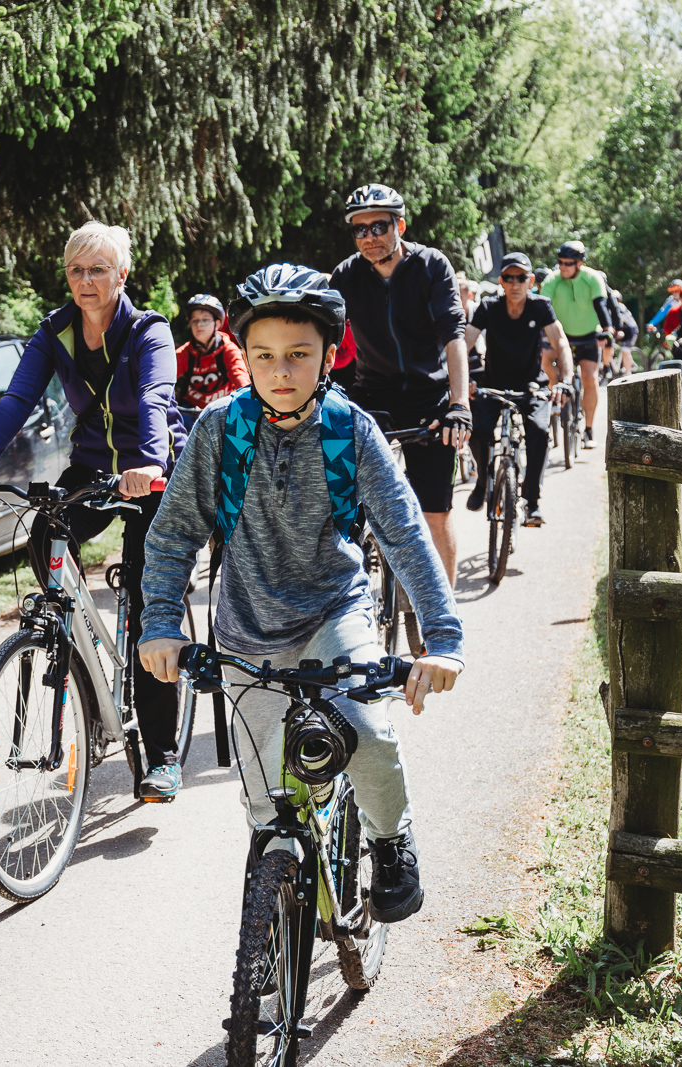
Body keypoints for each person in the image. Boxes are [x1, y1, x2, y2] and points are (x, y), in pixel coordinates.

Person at [138, 263, 463, 923]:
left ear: (327, 357)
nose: (279, 370)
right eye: (263, 355)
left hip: (332, 614)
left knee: (367, 730)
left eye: (297, 355)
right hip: (244, 626)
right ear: (245, 355)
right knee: (264, 807)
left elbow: (403, 537)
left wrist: (445, 638)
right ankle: (275, 921)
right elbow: (171, 537)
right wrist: (160, 622)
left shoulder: (351, 431)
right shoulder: (218, 430)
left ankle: (390, 839)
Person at [0, 221, 189, 801]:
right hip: (91, 468)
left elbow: (155, 398)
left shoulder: (148, 331)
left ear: (121, 274)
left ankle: (161, 756)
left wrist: (149, 464)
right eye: (76, 270)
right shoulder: (55, 332)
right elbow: (16, 401)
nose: (85, 280)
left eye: (98, 269)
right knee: (45, 535)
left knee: (152, 607)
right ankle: (72, 640)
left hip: (151, 474)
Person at [329, 183, 471, 587]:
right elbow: (325, 340)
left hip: (430, 399)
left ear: (400, 225)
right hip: (373, 395)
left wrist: (459, 403)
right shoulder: (346, 275)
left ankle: (443, 622)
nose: (369, 237)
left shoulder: (431, 266)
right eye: (360, 229)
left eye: (378, 226)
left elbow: (453, 336)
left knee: (435, 514)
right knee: (342, 501)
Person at [463, 251, 574, 527]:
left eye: (521, 278)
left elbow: (560, 343)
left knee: (539, 432)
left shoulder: (541, 306)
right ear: (501, 281)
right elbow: (463, 344)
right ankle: (482, 480)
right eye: (509, 278)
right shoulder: (488, 307)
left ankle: (532, 502)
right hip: (493, 386)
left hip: (531, 386)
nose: (515, 284)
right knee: (477, 431)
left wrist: (566, 379)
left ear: (531, 281)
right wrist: (462, 379)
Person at [537, 240, 611, 446]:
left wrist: (607, 330)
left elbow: (600, 305)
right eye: (560, 262)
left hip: (588, 336)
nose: (562, 267)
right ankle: (556, 390)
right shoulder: (552, 280)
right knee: (545, 359)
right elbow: (543, 306)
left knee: (589, 378)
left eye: (568, 263)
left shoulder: (592, 278)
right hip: (561, 339)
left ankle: (588, 429)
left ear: (579, 263)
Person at [174, 293, 249, 424]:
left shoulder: (229, 350)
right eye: (195, 320)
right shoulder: (184, 353)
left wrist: (247, 405)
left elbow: (243, 383)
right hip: (191, 413)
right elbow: (162, 377)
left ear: (217, 323)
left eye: (205, 319)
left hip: (223, 410)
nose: (199, 325)